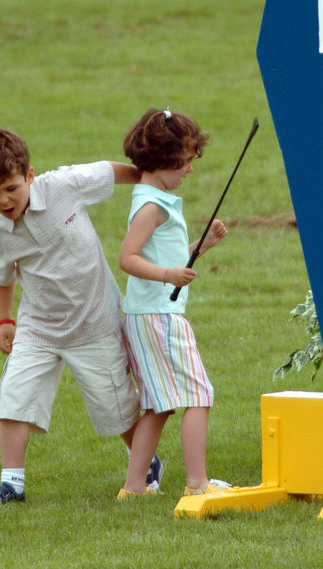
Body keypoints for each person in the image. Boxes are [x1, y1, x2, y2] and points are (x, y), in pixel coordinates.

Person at [0, 128, 163, 506]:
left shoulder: (65, 185)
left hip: (95, 323)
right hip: (38, 326)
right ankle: (12, 484)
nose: (3, 200)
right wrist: (5, 320)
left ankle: (146, 464)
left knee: (118, 408)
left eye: (10, 188)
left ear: (30, 175)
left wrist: (151, 181)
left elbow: (108, 171)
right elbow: (2, 273)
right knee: (14, 396)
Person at [116, 108, 232, 500]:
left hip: (146, 315)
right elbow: (128, 257)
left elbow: (162, 254)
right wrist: (169, 276)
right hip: (160, 317)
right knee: (198, 395)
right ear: (163, 160)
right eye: (185, 162)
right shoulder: (153, 206)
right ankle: (198, 485)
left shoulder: (152, 198)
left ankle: (134, 488)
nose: (190, 170)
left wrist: (200, 248)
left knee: (160, 405)